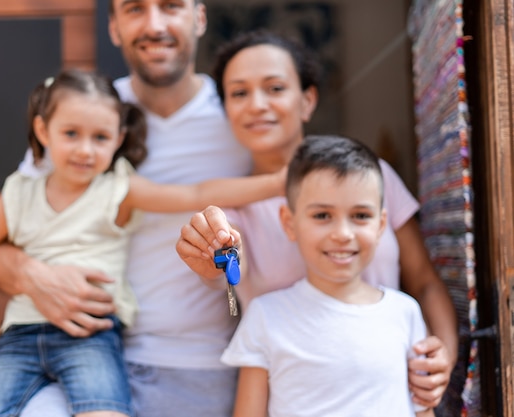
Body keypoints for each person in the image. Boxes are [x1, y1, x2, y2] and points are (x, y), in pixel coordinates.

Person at [0, 68, 285, 417]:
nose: (85, 150)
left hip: (91, 338)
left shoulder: (117, 189)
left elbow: (196, 193)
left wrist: (277, 183)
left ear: (118, 138)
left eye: (100, 137)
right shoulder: (18, 193)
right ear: (42, 130)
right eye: (70, 134)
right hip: (18, 338)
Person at [175, 30, 458, 410]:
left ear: (307, 100)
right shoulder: (232, 211)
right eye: (239, 93)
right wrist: (211, 261)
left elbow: (423, 281)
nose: (257, 104)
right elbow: (223, 261)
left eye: (275, 88)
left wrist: (443, 357)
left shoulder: (371, 177)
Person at [222, 134, 434, 417]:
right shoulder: (265, 316)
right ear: (289, 222)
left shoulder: (405, 314)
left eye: (360, 215)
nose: (343, 234)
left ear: (381, 224)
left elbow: (423, 411)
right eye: (322, 216)